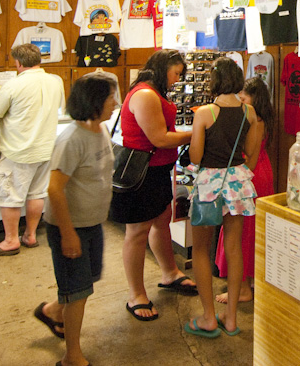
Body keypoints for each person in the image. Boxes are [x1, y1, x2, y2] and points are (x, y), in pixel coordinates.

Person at [34, 72, 118, 366]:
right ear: (94, 101)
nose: (116, 103)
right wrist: (68, 234)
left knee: (86, 282)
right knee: (78, 292)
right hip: (70, 228)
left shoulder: (100, 130)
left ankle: (51, 311)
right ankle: (72, 357)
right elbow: (54, 188)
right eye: (111, 98)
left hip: (92, 223)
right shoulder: (72, 139)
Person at [110, 49, 197, 321]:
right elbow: (159, 138)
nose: (177, 80)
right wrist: (197, 133)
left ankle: (170, 272)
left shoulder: (152, 92)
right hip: (142, 173)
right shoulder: (146, 94)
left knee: (161, 220)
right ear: (163, 69)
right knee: (137, 231)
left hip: (157, 170)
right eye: (175, 73)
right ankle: (136, 294)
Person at [185, 58, 260, 339]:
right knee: (234, 247)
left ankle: (207, 318)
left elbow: (195, 156)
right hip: (238, 182)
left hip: (209, 185)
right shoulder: (249, 111)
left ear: (214, 81)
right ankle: (230, 320)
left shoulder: (205, 112)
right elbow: (250, 151)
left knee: (201, 250)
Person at [0, 43, 67, 255]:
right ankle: (30, 235)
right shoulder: (55, 82)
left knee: (10, 196)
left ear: (18, 63)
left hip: (18, 150)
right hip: (46, 148)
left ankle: (11, 240)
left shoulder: (14, 85)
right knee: (36, 194)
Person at [215, 77, 274, 304]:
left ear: (253, 98)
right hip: (261, 171)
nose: (240, 99)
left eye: (244, 96)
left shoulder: (252, 119)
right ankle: (247, 281)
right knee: (250, 229)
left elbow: (246, 156)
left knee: (240, 231)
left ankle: (241, 289)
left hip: (249, 175)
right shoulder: (261, 118)